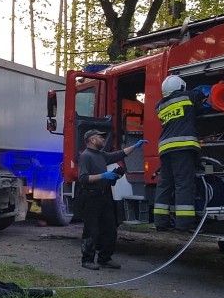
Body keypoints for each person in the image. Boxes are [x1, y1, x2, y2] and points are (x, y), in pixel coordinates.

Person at [77, 129, 147, 270]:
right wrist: (103, 176)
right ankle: (87, 260)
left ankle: (105, 258)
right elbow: (83, 179)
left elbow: (120, 154)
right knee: (92, 230)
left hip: (105, 196)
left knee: (110, 230)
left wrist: (136, 146)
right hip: (91, 197)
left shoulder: (101, 155)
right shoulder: (86, 156)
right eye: (100, 137)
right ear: (91, 140)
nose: (103, 139)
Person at [154, 75, 209, 232]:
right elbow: (202, 93)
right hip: (182, 147)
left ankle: (160, 222)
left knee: (165, 184)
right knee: (183, 184)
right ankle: (184, 224)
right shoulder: (187, 96)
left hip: (165, 148)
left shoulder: (160, 105)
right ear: (181, 87)